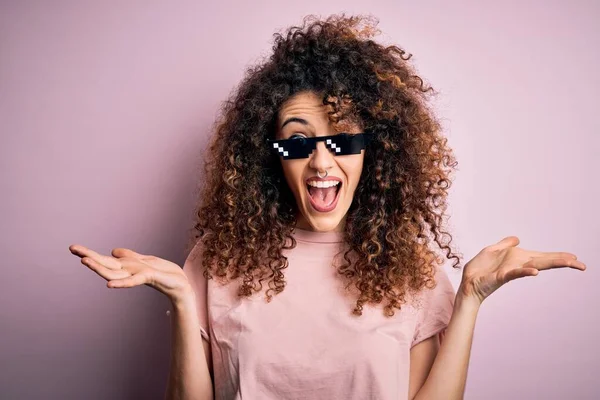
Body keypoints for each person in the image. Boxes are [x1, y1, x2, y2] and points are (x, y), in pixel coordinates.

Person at [68, 14, 586, 400]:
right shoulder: (220, 258)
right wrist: (183, 297)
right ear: (269, 157)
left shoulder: (410, 266)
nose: (320, 161)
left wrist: (470, 297)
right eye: (297, 142)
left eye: (342, 140)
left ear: (372, 150)